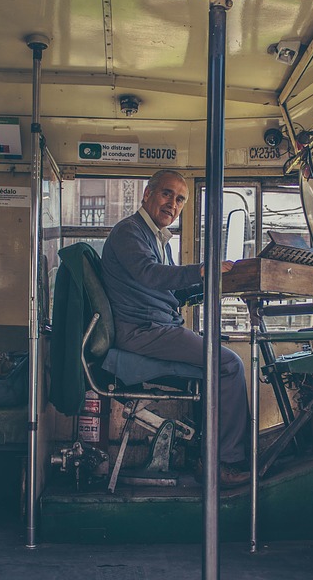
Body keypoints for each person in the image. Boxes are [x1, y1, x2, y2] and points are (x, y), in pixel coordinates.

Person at [100, 170, 250, 487]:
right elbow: (151, 275)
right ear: (147, 194)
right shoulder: (129, 232)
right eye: (167, 194)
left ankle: (205, 457)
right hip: (143, 331)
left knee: (219, 364)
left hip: (157, 326)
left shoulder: (156, 237)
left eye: (180, 199)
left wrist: (214, 284)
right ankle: (226, 463)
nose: (174, 204)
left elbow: (169, 291)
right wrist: (201, 270)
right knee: (229, 365)